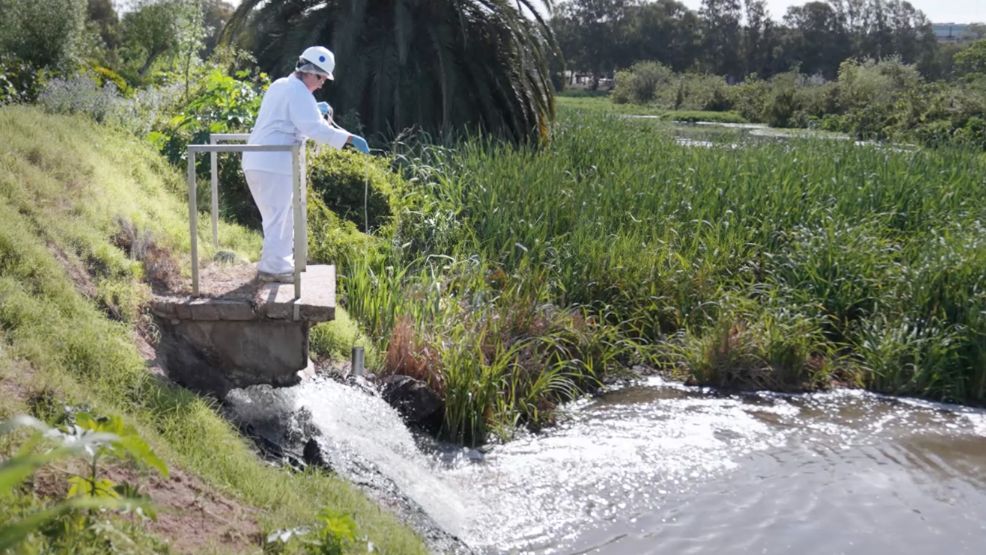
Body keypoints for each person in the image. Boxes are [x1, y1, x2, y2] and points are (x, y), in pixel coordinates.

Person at [242, 46, 369, 283]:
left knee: (279, 216)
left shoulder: (281, 85)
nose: (322, 84)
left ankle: (278, 264)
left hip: (259, 161)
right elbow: (313, 128)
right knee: (278, 217)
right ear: (309, 72)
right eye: (321, 78)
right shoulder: (298, 92)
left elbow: (295, 119)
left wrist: (313, 109)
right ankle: (274, 269)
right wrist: (349, 138)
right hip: (273, 163)